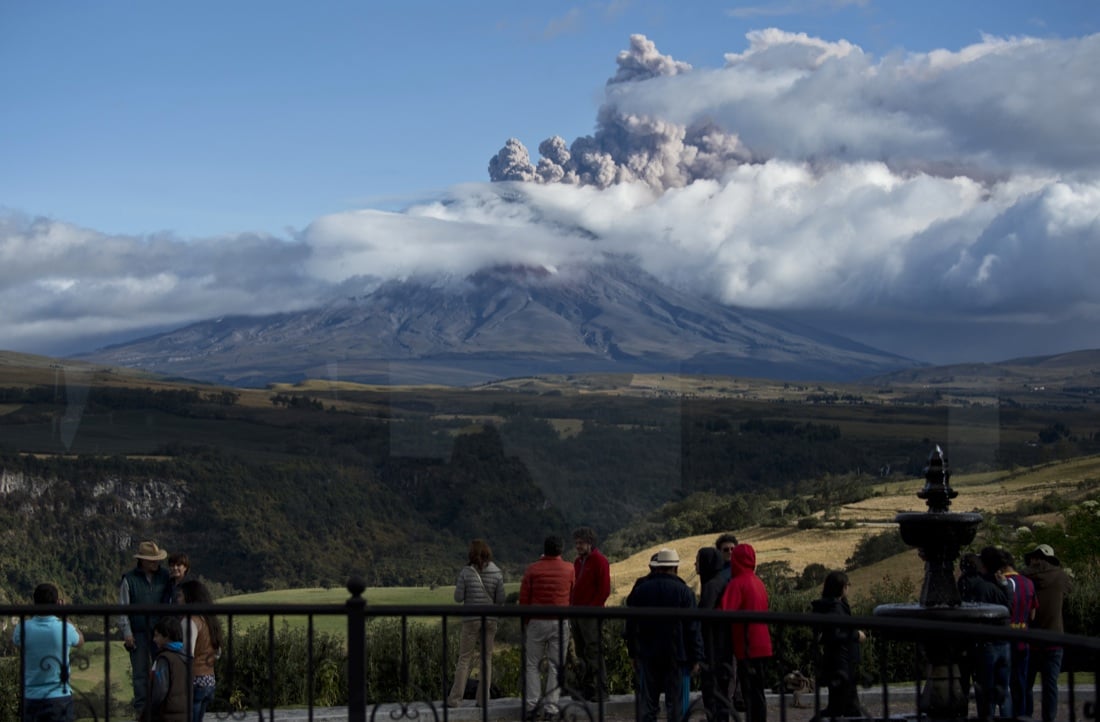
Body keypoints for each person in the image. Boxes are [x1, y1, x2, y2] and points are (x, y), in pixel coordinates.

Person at [625, 548, 704, 722]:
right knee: (675, 705)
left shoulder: (641, 590)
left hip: (648, 653)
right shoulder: (684, 592)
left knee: (648, 705)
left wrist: (633, 653)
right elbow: (692, 628)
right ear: (675, 568)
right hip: (677, 655)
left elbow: (631, 625)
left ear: (658, 567)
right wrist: (696, 657)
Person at [519, 535, 575, 720]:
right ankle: (551, 709)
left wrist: (527, 621)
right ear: (560, 550)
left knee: (532, 664)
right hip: (560, 621)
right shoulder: (569, 569)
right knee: (555, 665)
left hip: (536, 621)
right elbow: (572, 595)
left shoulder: (532, 570)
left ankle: (531, 707)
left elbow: (524, 599)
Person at [12, 583, 85, 722]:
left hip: (31, 696)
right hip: (59, 697)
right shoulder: (65, 628)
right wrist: (64, 616)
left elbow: (15, 640)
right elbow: (80, 640)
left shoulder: (22, 628)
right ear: (57, 603)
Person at [446, 539, 506, 708]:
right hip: (490, 619)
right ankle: (483, 700)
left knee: (464, 658)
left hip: (471, 619)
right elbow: (501, 599)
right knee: (486, 659)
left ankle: (455, 699)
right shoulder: (497, 572)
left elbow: (458, 598)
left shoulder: (466, 572)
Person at [719, 543, 772, 722]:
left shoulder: (737, 583)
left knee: (751, 692)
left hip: (747, 646)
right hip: (763, 644)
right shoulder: (758, 582)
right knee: (758, 692)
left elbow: (725, 612)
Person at [119, 540, 172, 716]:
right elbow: (123, 608)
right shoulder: (129, 580)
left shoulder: (164, 576)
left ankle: (162, 709)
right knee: (140, 675)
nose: (156, 562)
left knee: (162, 671)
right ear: (142, 561)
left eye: (157, 559)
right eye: (152, 560)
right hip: (139, 633)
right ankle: (142, 712)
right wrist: (127, 633)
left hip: (161, 633)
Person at [959, 547, 1011, 719]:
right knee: (1003, 689)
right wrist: (1004, 586)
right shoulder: (995, 585)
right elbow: (1008, 607)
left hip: (986, 644)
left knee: (986, 690)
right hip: (1003, 641)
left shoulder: (973, 586)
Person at [1023, 543, 1073, 722]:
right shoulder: (1061, 577)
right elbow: (1070, 591)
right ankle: (1049, 718)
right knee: (1050, 685)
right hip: (1054, 637)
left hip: (1031, 638)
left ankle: (1025, 716)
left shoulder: (1025, 577)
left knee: (1025, 684)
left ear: (1034, 559)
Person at [810, 571, 865, 720]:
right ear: (841, 587)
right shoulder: (835, 608)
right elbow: (836, 634)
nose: (848, 588)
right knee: (844, 708)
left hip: (838, 663)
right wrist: (856, 635)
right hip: (842, 664)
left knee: (843, 707)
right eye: (847, 585)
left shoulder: (830, 606)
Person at [570, 526, 611, 703]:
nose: (578, 546)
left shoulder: (600, 561)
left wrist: (591, 608)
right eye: (576, 543)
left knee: (594, 651)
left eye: (581, 543)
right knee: (581, 652)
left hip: (591, 614)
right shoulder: (578, 562)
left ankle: (601, 690)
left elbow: (604, 590)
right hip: (577, 613)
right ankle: (587, 689)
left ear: (590, 543)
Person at [175, 580, 224, 722]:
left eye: (180, 596)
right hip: (209, 680)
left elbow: (187, 654)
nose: (178, 599)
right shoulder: (209, 620)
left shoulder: (190, 621)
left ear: (189, 597)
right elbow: (218, 653)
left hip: (194, 680)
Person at [696, 546, 734, 722]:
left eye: (699, 560)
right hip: (721, 645)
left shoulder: (711, 585)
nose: (696, 564)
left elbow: (703, 616)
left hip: (714, 648)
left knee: (713, 692)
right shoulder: (719, 581)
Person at [1001, 551, 1037, 717]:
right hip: (1024, 636)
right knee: (1021, 681)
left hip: (1006, 638)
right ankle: (1022, 714)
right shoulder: (1028, 583)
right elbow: (1032, 614)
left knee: (1005, 683)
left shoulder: (1003, 583)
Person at [146, 616, 192, 722]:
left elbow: (160, 690)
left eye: (157, 636)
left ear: (166, 636)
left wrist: (151, 708)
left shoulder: (164, 659)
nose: (154, 639)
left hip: (167, 715)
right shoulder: (187, 657)